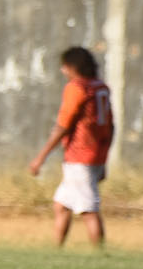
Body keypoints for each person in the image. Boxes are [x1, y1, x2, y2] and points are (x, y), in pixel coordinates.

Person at [28, 45, 113, 249]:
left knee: (88, 208)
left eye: (65, 66)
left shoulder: (77, 88)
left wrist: (41, 157)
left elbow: (63, 126)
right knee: (62, 205)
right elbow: (110, 126)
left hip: (80, 154)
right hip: (95, 153)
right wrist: (104, 159)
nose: (63, 71)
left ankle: (99, 252)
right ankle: (57, 250)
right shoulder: (100, 87)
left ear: (74, 67)